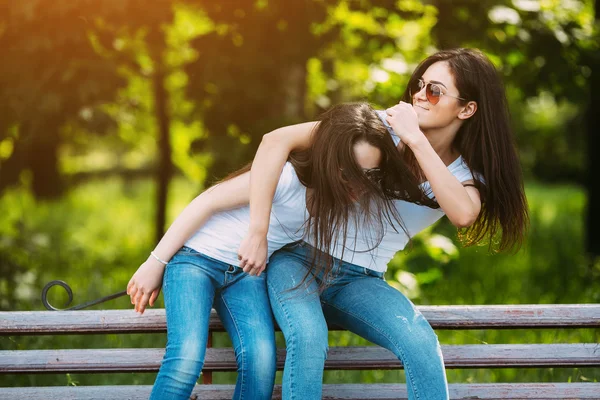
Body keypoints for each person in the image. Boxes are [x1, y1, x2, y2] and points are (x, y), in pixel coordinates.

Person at [237, 48, 529, 400]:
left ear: (466, 109)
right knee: (309, 337)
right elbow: (275, 140)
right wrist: (258, 229)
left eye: (435, 91)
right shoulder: (376, 128)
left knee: (421, 343)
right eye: (419, 85)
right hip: (299, 260)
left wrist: (416, 140)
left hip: (360, 280)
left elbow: (464, 214)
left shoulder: (463, 174)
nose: (420, 95)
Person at [126, 102, 429, 400]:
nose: (361, 185)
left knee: (260, 362)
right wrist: (155, 263)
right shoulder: (286, 179)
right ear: (328, 161)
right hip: (196, 260)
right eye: (350, 172)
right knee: (187, 358)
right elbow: (206, 201)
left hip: (246, 275)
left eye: (370, 175)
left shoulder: (337, 204)